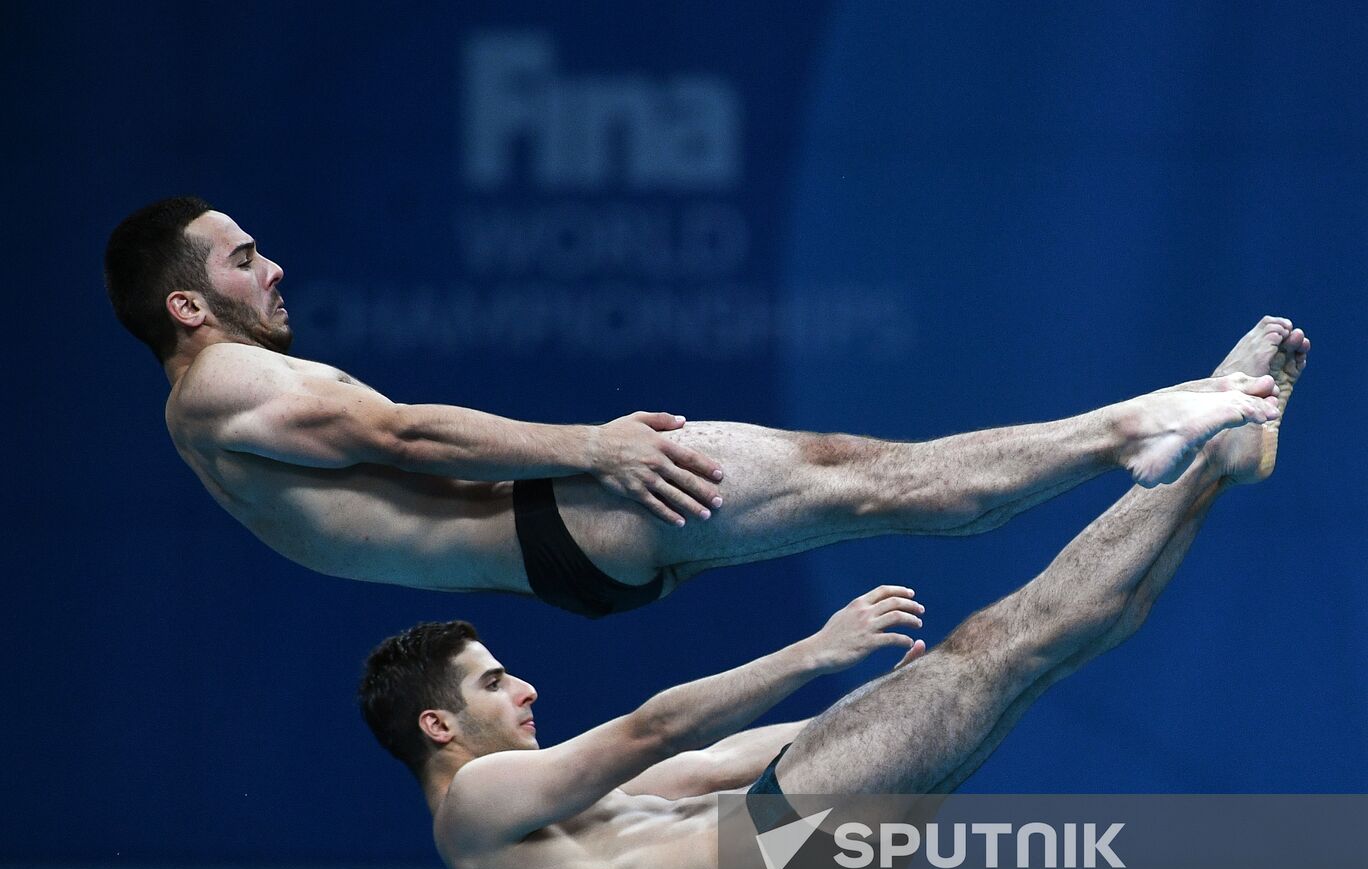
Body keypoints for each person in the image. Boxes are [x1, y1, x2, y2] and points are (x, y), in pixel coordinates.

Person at [355, 323, 1309, 869]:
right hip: (787, 843)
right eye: (492, 685)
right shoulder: (474, 807)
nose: (522, 692)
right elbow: (653, 731)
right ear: (438, 726)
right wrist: (813, 652)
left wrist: (861, 710)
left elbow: (707, 763)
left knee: (1024, 654)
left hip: (805, 856)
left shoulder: (537, 814)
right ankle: (1177, 440)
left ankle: (1214, 465)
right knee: (1012, 647)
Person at [106, 196, 1284, 617]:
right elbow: (395, 432)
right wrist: (601, 448)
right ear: (187, 304)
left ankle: (1168, 444)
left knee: (891, 495)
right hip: (568, 518)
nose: (271, 269)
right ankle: (1139, 426)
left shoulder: (215, 411)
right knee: (884, 478)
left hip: (557, 559)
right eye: (242, 258)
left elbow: (390, 464)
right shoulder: (222, 385)